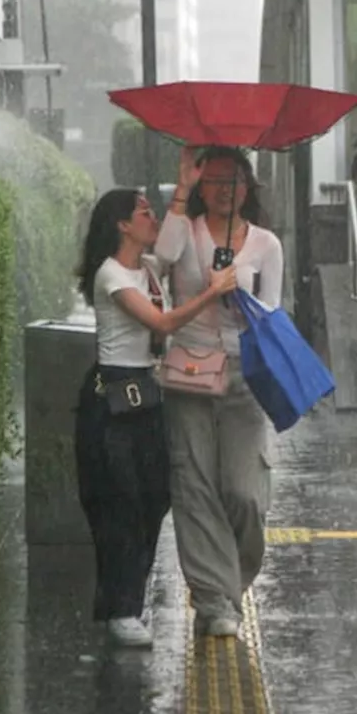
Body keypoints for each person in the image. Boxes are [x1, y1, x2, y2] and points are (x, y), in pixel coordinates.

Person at [74, 189, 237, 647]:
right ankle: (120, 610)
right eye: (145, 212)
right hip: (112, 401)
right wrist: (212, 292)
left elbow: (169, 245)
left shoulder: (146, 269)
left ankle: (127, 602)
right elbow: (161, 324)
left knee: (152, 501)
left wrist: (186, 184)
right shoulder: (111, 273)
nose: (153, 218)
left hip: (146, 395)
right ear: (122, 225)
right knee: (120, 504)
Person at [155, 145, 284, 639]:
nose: (226, 191)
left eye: (235, 182)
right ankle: (214, 599)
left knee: (243, 493)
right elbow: (162, 258)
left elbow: (272, 313)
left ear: (248, 189)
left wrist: (238, 298)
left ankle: (232, 579)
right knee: (194, 487)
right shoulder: (184, 231)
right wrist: (182, 187)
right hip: (188, 372)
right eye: (216, 181)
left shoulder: (267, 245)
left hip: (243, 375)